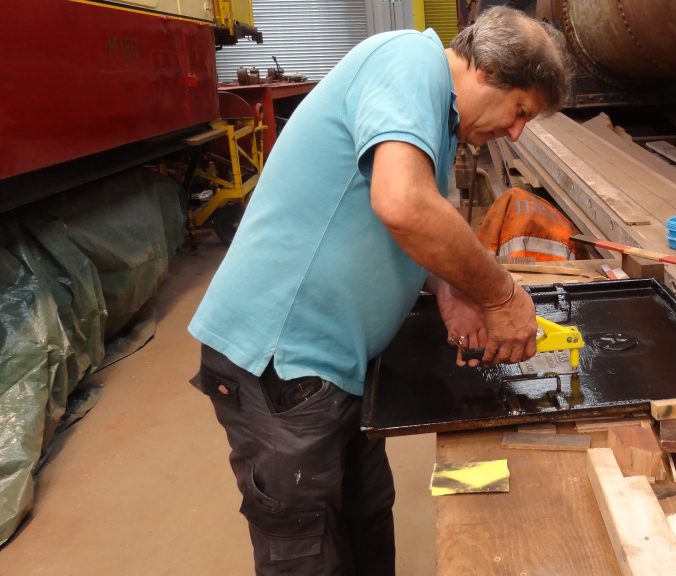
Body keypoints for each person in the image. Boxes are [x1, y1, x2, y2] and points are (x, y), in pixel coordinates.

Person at [187, 7, 573, 575]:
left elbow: (427, 214)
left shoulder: (437, 122)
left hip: (339, 368)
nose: (516, 132)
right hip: (282, 366)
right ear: (486, 69)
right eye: (520, 112)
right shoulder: (408, 59)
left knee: (366, 520)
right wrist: (501, 295)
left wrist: (451, 285)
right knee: (308, 551)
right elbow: (402, 204)